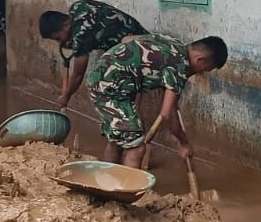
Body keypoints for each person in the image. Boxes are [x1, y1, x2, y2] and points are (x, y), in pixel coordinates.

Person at [86, 34, 228, 169]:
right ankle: (127, 191)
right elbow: (167, 114)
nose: (201, 72)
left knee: (118, 139)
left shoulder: (174, 45)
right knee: (137, 147)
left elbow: (127, 39)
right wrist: (184, 143)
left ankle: (107, 183)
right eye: (206, 69)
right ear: (200, 60)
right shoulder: (180, 65)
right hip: (110, 89)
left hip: (102, 77)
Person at [39, 0, 146, 108]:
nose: (60, 42)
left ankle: (127, 118)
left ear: (66, 25)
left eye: (58, 38)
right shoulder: (77, 7)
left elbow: (77, 76)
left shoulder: (81, 36)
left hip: (139, 51)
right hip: (136, 35)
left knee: (103, 84)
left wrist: (66, 96)